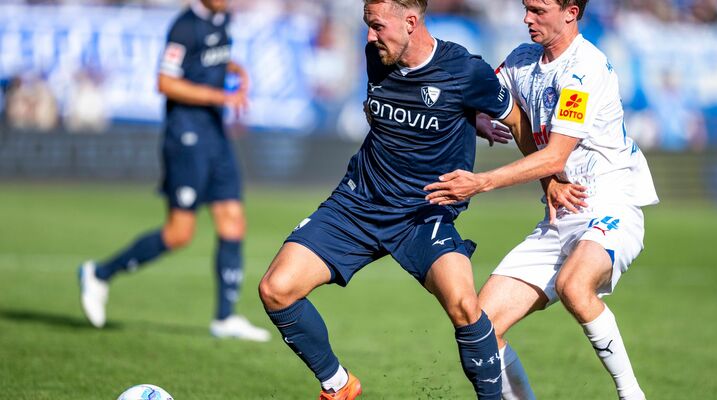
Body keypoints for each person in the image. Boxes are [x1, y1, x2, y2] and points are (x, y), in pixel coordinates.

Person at [257, 1, 530, 398]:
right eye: (367, 26)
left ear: (411, 22)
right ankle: (339, 385)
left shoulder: (466, 70)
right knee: (276, 289)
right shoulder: (377, 55)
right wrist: (467, 117)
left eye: (377, 26)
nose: (369, 36)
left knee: (467, 309)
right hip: (357, 204)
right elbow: (389, 110)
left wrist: (550, 180)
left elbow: (518, 121)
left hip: (423, 214)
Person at [424, 1, 659, 399]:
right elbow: (489, 101)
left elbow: (555, 155)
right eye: (525, 8)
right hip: (560, 209)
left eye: (538, 9)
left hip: (609, 202)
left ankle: (631, 393)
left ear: (570, 11)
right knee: (481, 329)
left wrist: (481, 182)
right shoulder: (522, 60)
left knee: (573, 285)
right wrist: (480, 118)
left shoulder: (583, 70)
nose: (526, 18)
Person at [77, 0, 269, 342]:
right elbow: (165, 82)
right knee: (180, 233)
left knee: (233, 220)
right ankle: (99, 273)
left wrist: (235, 69)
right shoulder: (184, 26)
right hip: (187, 134)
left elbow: (210, 61)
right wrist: (219, 96)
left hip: (215, 133)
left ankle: (225, 317)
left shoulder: (222, 18)